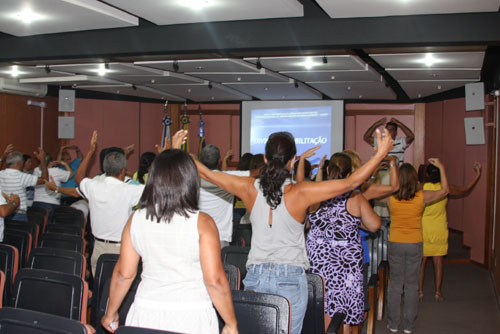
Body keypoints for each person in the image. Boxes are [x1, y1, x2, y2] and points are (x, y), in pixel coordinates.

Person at [194, 129, 393, 334]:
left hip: (255, 276)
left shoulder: (248, 187)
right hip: (290, 278)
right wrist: (380, 154)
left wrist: (174, 149)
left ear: (265, 158)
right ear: (293, 160)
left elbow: (207, 173)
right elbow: (350, 183)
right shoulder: (301, 192)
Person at [101, 149, 237, 334]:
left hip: (146, 313)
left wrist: (111, 312)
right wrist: (230, 323)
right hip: (192, 315)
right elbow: (214, 281)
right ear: (191, 181)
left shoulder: (136, 219)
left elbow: (124, 274)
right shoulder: (203, 223)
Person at [305, 153, 382, 333]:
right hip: (345, 263)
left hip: (319, 260)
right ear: (349, 175)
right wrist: (356, 222)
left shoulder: (316, 193)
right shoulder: (355, 197)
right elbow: (375, 224)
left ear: (329, 170)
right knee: (344, 309)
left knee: (321, 304)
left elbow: (306, 222)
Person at [387, 160, 449, 334]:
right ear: (415, 179)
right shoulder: (422, 196)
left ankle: (392, 325)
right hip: (414, 244)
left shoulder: (390, 197)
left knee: (396, 284)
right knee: (412, 285)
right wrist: (442, 168)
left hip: (395, 243)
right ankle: (408, 326)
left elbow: (368, 191)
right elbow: (445, 190)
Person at [74, 131, 145, 275]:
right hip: (122, 248)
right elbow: (161, 187)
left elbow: (79, 177)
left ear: (105, 169)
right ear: (123, 171)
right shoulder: (131, 190)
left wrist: (90, 152)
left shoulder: (94, 186)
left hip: (98, 247)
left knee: (100, 288)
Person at [418, 162, 481, 302]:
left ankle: (420, 292)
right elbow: (466, 189)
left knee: (421, 262)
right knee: (438, 262)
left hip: (423, 228)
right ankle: (438, 293)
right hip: (439, 228)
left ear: (427, 175)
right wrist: (477, 175)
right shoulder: (446, 188)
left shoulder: (421, 188)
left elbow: (401, 189)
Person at [198, 145, 249, 248]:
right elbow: (254, 173)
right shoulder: (229, 178)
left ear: (201, 161)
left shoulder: (191, 178)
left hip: (199, 237)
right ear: (218, 161)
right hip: (221, 238)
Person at [0, 148, 48, 221]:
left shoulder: (1, 174)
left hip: (5, 211)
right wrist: (43, 161)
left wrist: (2, 158)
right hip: (18, 214)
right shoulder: (22, 177)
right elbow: (45, 179)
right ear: (20, 163)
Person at [32, 154, 72, 221]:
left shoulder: (36, 170)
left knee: (37, 227)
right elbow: (70, 175)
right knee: (48, 227)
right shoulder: (56, 171)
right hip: (51, 204)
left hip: (37, 203)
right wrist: (65, 164)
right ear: (51, 162)